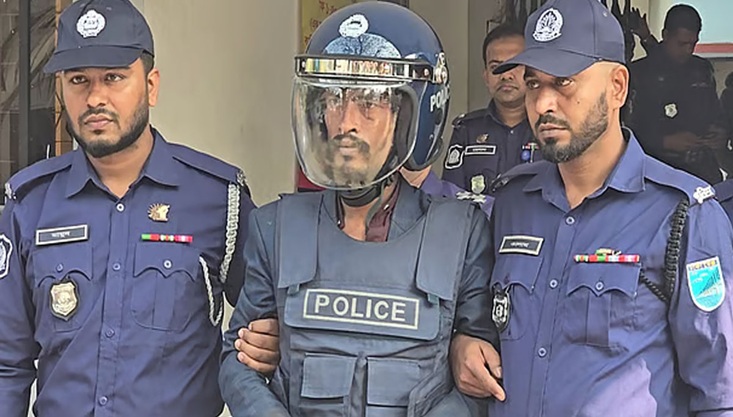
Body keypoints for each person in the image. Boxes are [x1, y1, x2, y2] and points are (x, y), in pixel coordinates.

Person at [450, 0, 733, 416]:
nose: (543, 104)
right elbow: (482, 319)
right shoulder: (510, 204)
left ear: (617, 87)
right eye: (533, 84)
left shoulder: (683, 214)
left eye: (563, 82)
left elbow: (718, 392)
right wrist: (464, 342)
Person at [218, 2, 494, 416]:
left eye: (369, 102)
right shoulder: (275, 227)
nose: (346, 122)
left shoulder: (462, 233)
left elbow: (478, 380)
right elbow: (238, 362)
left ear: (410, 118)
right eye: (333, 98)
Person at [0, 1, 256, 416]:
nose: (95, 97)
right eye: (78, 80)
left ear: (151, 86)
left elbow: (263, 333)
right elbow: (6, 363)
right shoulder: (30, 205)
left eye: (113, 77)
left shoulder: (217, 199)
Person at [628, 4, 728, 184]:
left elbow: (716, 113)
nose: (688, 50)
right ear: (666, 35)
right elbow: (624, 131)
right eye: (682, 44)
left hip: (702, 172)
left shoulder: (702, 69)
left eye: (693, 44)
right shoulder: (638, 73)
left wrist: (720, 134)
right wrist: (663, 141)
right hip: (655, 173)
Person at [442, 23, 537, 195]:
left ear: (532, 72)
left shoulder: (548, 127)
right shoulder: (467, 130)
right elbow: (450, 196)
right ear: (486, 77)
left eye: (515, 65)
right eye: (495, 67)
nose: (506, 75)